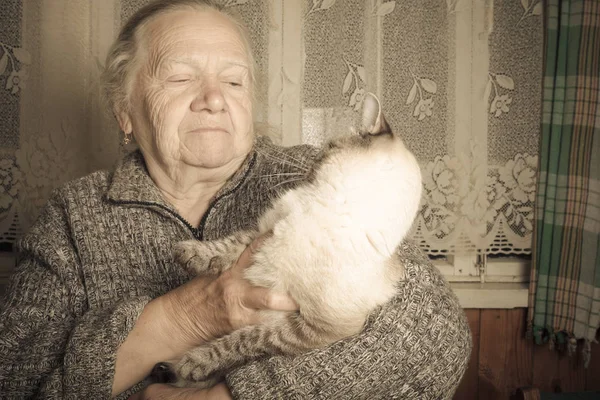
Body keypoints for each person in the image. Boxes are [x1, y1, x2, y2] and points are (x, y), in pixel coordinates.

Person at [0, 0, 472, 399]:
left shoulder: (323, 176)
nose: (214, 98)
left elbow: (435, 338)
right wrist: (182, 317)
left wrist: (231, 395)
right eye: (182, 78)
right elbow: (16, 380)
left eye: (233, 81)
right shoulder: (74, 214)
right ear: (125, 111)